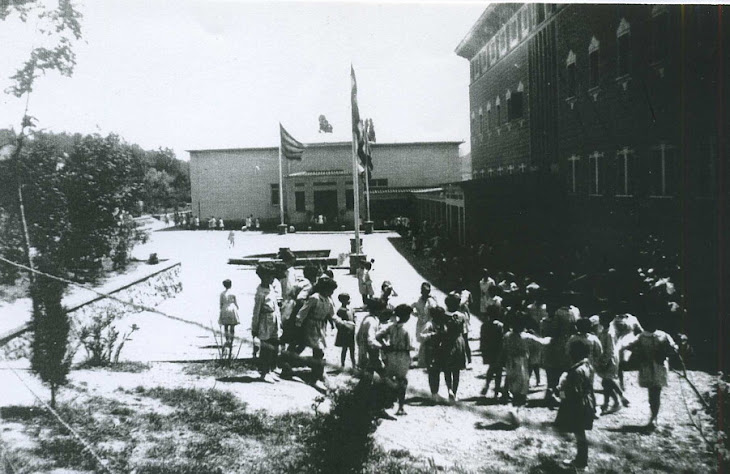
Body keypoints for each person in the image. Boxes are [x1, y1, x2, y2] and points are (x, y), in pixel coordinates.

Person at [622, 312, 678, 429]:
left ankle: (654, 418)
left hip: (659, 366)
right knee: (652, 394)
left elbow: (673, 348)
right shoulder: (642, 336)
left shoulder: (663, 335)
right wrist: (636, 352)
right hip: (647, 367)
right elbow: (630, 345)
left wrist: (666, 352)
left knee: (656, 392)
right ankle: (653, 416)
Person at [555, 338, 595, 471]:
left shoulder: (576, 371)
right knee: (579, 432)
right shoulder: (587, 366)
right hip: (586, 401)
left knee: (579, 432)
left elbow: (573, 393)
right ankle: (580, 459)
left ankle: (582, 463)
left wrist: (560, 392)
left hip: (578, 405)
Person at [501, 314, 550, 420]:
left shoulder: (507, 335)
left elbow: (504, 349)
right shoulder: (526, 337)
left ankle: (514, 409)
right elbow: (542, 343)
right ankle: (514, 410)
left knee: (514, 387)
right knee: (522, 388)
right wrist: (550, 338)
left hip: (510, 363)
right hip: (521, 364)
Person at [296, 276, 337, 392]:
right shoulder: (315, 298)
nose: (332, 293)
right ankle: (315, 377)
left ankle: (319, 373)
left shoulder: (328, 300)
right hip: (311, 326)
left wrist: (342, 323)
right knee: (318, 350)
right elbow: (303, 311)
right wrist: (298, 323)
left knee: (319, 350)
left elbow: (332, 315)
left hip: (320, 326)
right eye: (330, 290)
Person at [376, 304, 415, 416]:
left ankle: (386, 404)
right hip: (403, 355)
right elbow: (410, 346)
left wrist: (385, 345)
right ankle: (401, 407)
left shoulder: (391, 327)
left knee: (390, 378)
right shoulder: (407, 329)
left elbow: (378, 336)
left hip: (391, 354)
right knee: (402, 380)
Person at [434, 293, 469, 404]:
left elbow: (440, 330)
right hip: (458, 342)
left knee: (447, 368)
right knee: (456, 370)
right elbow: (464, 332)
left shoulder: (443, 315)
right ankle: (455, 391)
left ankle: (449, 389)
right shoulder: (462, 316)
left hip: (446, 342)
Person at [251, 263, 282, 383]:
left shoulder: (271, 288)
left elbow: (276, 306)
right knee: (266, 348)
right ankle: (264, 372)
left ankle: (270, 370)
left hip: (274, 319)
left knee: (274, 346)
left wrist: (279, 322)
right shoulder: (260, 292)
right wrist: (254, 327)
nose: (272, 278)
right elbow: (256, 311)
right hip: (265, 321)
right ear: (263, 277)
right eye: (270, 276)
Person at [592, 313, 629, 414]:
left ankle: (619, 397)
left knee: (608, 380)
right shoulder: (604, 331)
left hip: (610, 359)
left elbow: (610, 350)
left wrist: (604, 362)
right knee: (606, 382)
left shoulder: (609, 333)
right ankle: (613, 402)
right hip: (606, 358)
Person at [543, 305, 578, 406]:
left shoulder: (575, 310)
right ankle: (552, 395)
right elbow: (555, 329)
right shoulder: (559, 312)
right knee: (556, 371)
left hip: (569, 343)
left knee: (565, 372)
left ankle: (562, 396)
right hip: (559, 344)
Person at [480, 304, 506, 399]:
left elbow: (482, 339)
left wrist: (483, 350)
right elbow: (502, 339)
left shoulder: (484, 325)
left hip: (488, 350)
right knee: (498, 371)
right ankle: (496, 391)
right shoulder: (499, 325)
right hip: (498, 350)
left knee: (491, 368)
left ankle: (487, 384)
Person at [412, 282, 438, 368]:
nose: (425, 293)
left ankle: (425, 360)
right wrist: (416, 314)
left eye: (427, 292)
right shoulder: (418, 300)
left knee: (427, 340)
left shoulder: (431, 300)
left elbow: (436, 310)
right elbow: (411, 308)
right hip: (420, 322)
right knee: (421, 340)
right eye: (424, 291)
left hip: (429, 322)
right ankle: (423, 359)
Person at [333, 293, 357, 369]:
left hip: (351, 332)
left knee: (352, 348)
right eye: (347, 300)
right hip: (345, 332)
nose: (348, 301)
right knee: (345, 349)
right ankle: (343, 364)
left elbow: (354, 317)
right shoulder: (340, 310)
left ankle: (354, 364)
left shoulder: (351, 309)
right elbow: (338, 322)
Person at [218, 279, 239, 358]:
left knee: (226, 326)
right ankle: (232, 340)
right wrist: (237, 307)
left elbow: (221, 303)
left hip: (225, 308)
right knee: (232, 326)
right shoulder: (233, 293)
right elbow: (236, 302)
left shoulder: (222, 294)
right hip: (232, 308)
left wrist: (221, 310)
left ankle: (227, 339)